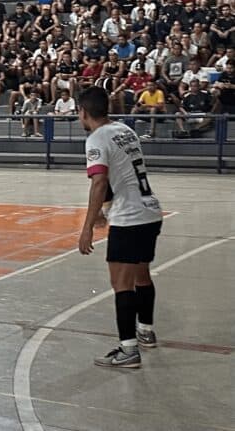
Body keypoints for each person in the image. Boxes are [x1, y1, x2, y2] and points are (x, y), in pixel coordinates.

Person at [78, 86, 163, 369]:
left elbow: (99, 181)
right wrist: (104, 209)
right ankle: (146, 331)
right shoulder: (125, 130)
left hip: (129, 218)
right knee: (142, 275)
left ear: (83, 112)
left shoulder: (96, 138)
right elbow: (120, 172)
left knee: (121, 284)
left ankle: (128, 350)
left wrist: (87, 226)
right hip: (150, 211)